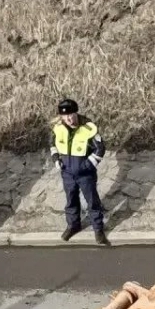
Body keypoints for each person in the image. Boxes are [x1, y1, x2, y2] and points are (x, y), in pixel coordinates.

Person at [50, 98, 109, 245]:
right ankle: (73, 225)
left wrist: (88, 166)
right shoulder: (58, 128)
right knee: (71, 200)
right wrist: (56, 159)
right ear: (61, 116)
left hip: (85, 174)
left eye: (71, 115)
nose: (69, 118)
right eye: (65, 116)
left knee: (92, 201)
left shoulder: (88, 128)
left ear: (76, 113)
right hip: (67, 172)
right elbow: (53, 144)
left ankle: (98, 229)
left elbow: (100, 148)